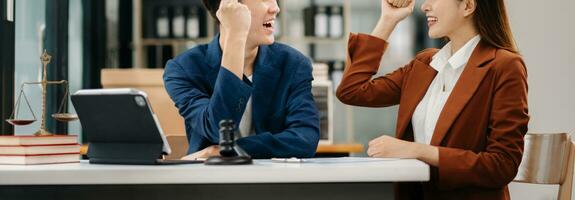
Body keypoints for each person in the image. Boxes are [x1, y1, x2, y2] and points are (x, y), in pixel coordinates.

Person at [336, 0, 529, 199]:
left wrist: (415, 150)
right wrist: (388, 20)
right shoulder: (425, 64)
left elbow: (502, 165)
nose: (424, 6)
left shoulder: (504, 66)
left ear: (468, 6)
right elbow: (352, 91)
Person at [163, 0, 320, 159]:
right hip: (212, 179)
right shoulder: (184, 69)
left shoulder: (293, 64)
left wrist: (227, 150)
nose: (275, 8)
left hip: (273, 179)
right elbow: (217, 130)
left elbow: (305, 139)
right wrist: (236, 37)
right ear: (228, 6)